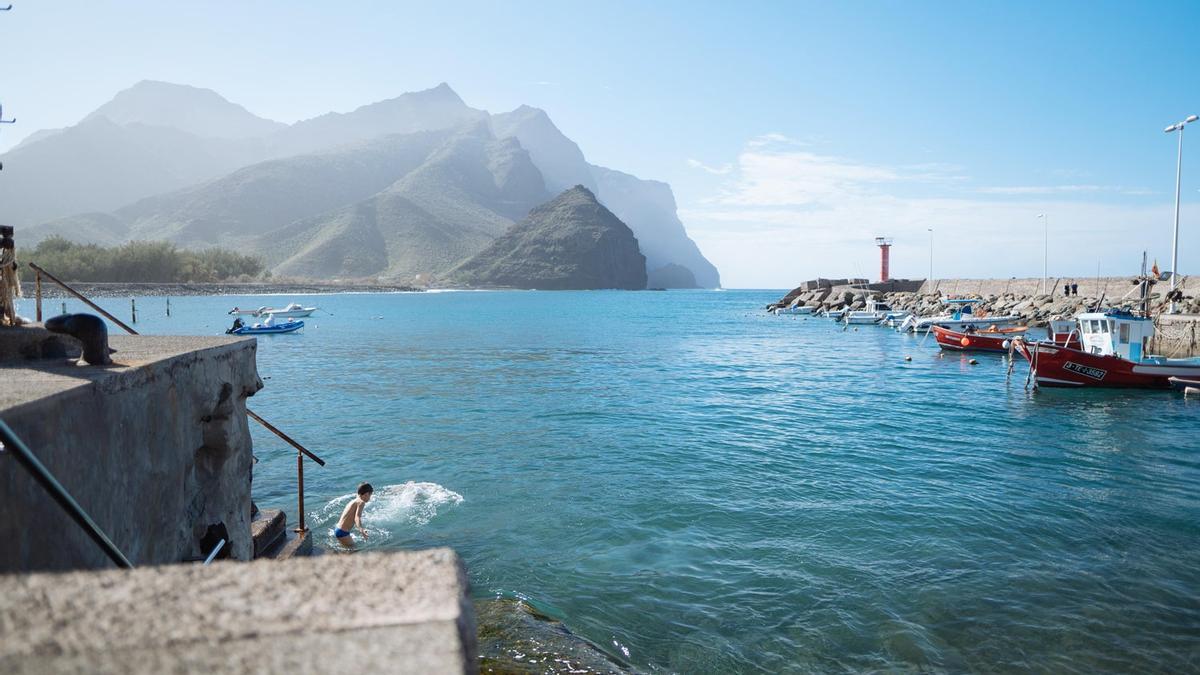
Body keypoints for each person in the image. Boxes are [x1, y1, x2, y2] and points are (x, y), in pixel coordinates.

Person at [335, 483, 373, 548]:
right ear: (366, 494)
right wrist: (361, 530)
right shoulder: (361, 502)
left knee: (346, 549)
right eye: (370, 495)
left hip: (339, 529)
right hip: (343, 532)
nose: (370, 498)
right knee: (354, 550)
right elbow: (357, 517)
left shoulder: (356, 499)